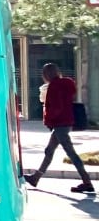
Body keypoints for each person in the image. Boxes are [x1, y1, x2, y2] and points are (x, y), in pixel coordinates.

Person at [24, 63, 94, 193]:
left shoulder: (54, 87)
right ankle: (36, 177)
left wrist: (49, 121)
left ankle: (87, 181)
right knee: (49, 150)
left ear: (46, 74)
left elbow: (54, 107)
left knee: (70, 153)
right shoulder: (67, 84)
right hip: (66, 122)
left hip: (59, 123)